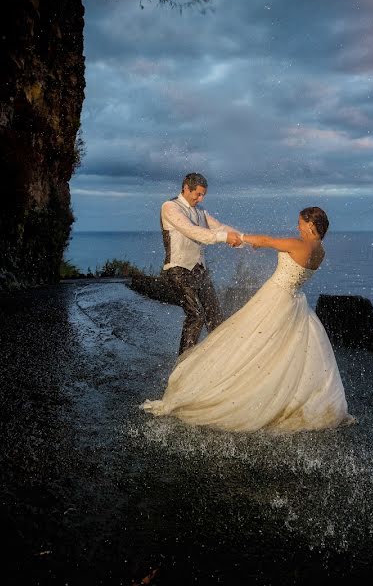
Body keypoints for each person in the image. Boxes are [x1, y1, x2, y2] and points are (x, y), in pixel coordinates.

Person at [141, 207, 356, 432]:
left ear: (311, 225)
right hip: (294, 301)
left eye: (301, 223)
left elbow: (266, 240)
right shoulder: (320, 251)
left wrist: (241, 238)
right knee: (281, 349)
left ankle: (231, 391)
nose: (297, 227)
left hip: (275, 296)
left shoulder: (297, 244)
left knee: (247, 340)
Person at [161, 172, 243, 356]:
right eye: (197, 194)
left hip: (200, 270)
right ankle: (183, 365)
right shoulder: (170, 207)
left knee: (215, 315)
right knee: (196, 315)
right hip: (178, 270)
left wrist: (244, 238)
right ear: (185, 188)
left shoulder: (200, 211)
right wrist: (224, 237)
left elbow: (220, 227)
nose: (201, 198)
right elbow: (192, 231)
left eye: (203, 194)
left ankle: (220, 358)